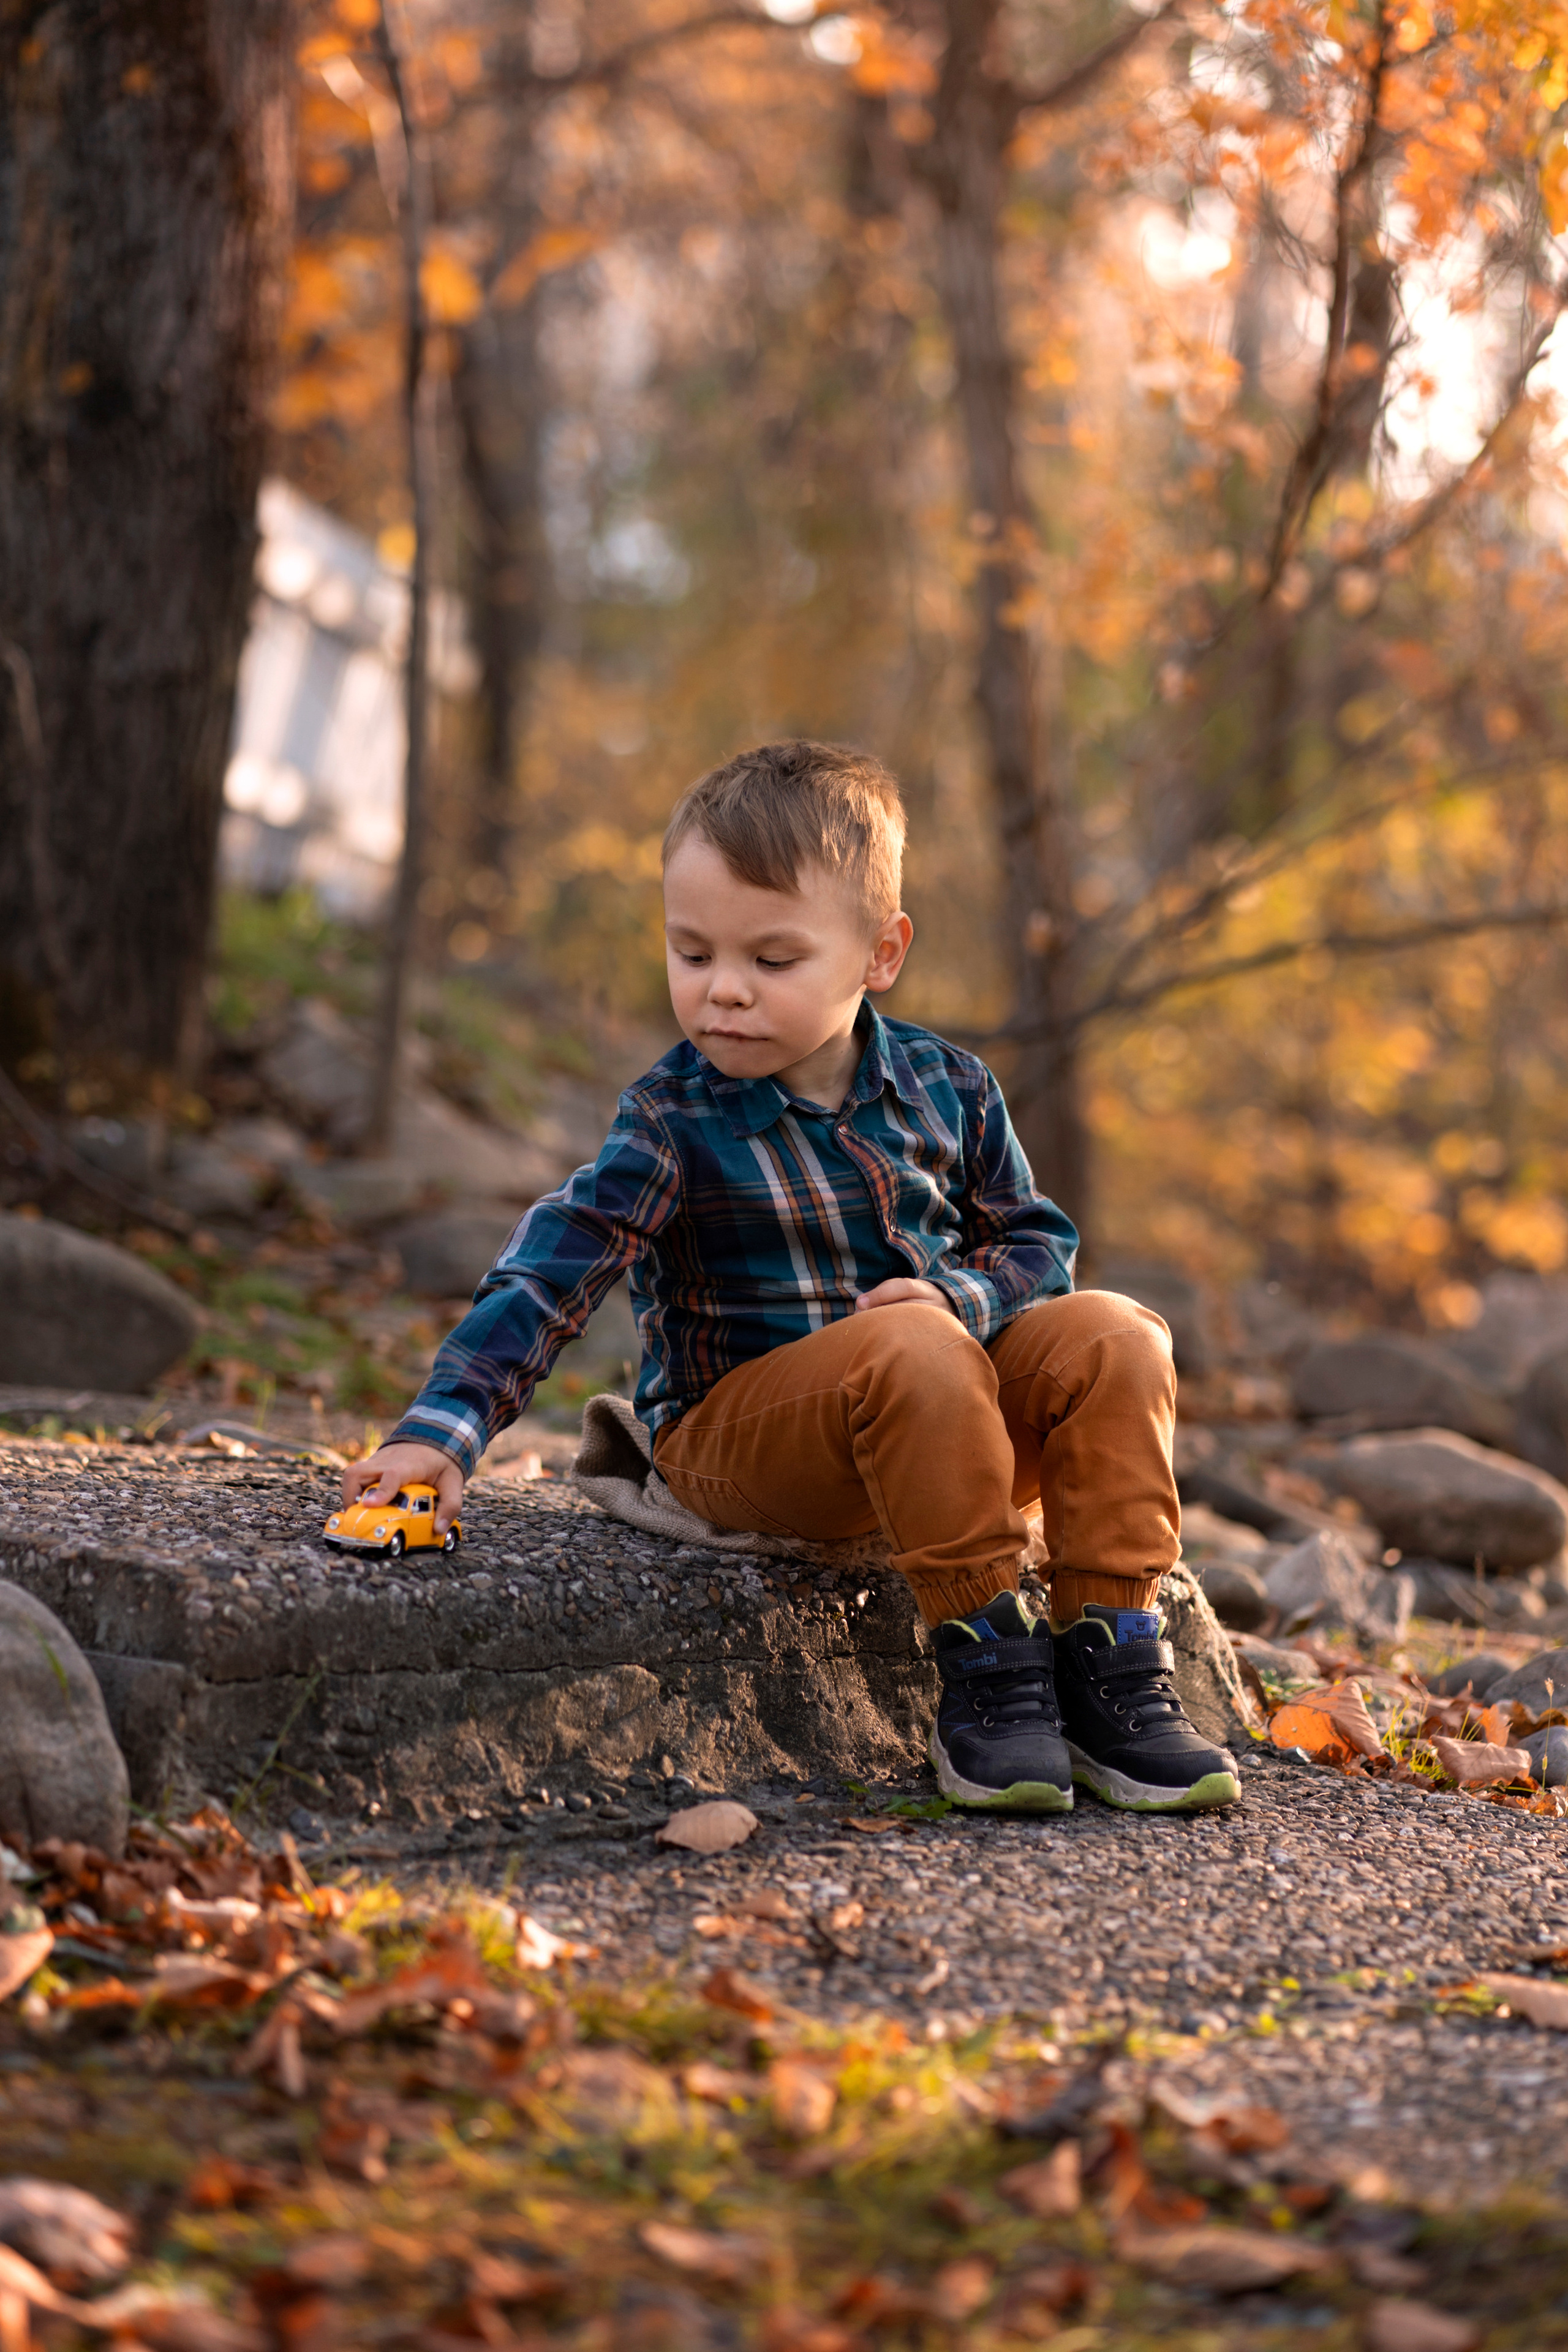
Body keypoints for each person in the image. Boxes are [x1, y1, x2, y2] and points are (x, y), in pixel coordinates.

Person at [345, 740, 1238, 1814]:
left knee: (1118, 1335)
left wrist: (963, 1297)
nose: (723, 991)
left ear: (880, 953)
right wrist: (440, 1431)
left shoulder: (949, 1087)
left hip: (941, 1432)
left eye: (772, 962)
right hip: (749, 1448)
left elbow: (1037, 1245)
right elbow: (552, 1272)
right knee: (912, 1348)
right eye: (691, 954)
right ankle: (991, 1669)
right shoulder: (674, 1122)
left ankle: (1111, 1663)